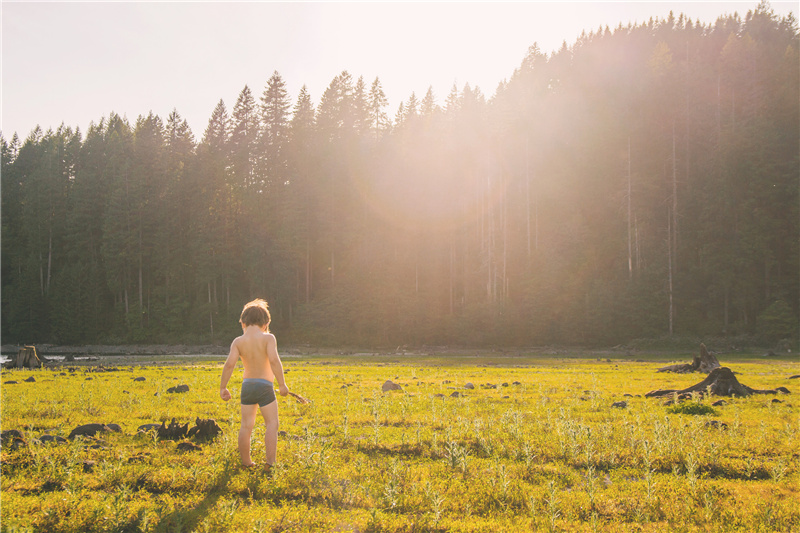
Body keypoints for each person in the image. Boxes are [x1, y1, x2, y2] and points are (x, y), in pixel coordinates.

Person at [220, 298, 289, 469]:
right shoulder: (268, 338)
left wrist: (223, 387)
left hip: (247, 386)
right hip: (265, 387)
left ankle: (246, 462)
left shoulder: (238, 341)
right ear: (266, 324)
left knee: (246, 425)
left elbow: (229, 364)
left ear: (243, 323)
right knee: (272, 424)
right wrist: (282, 384)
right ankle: (270, 463)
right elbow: (274, 360)